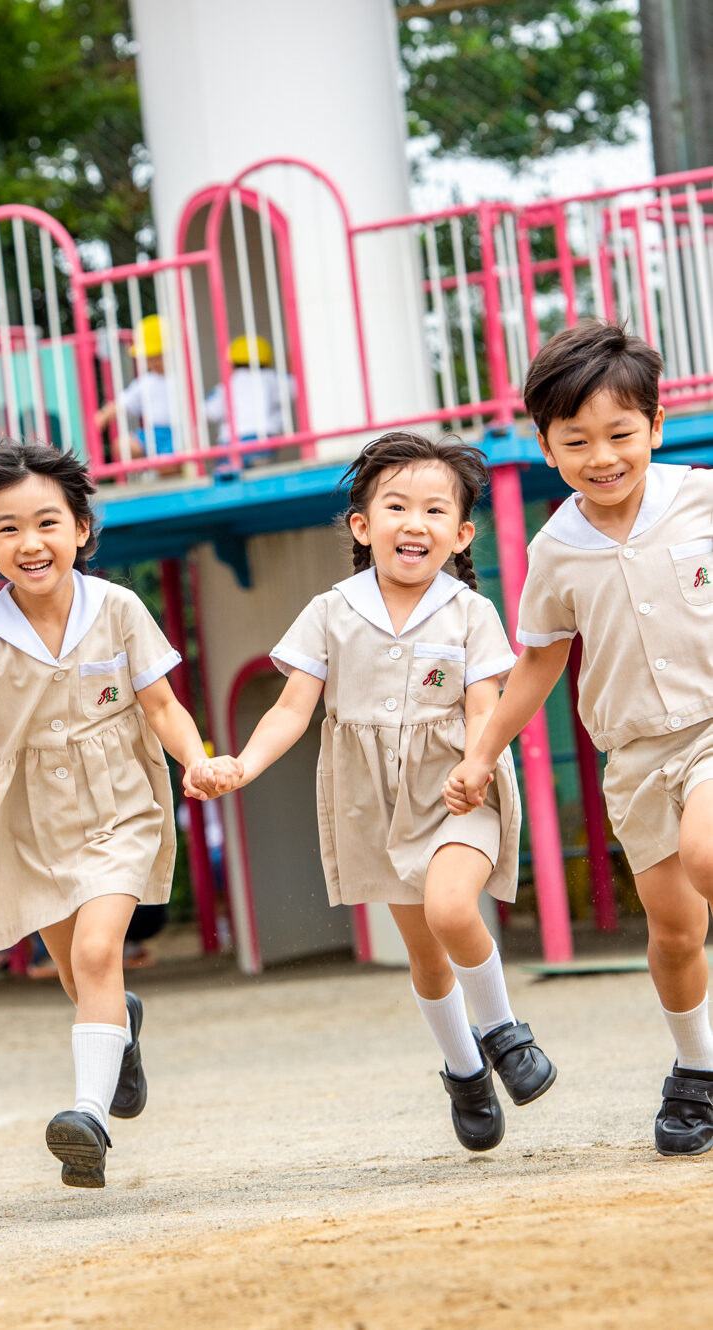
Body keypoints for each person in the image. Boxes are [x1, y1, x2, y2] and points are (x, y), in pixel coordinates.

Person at [0, 439, 229, 1187]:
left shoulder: (120, 609)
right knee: (77, 972)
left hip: (119, 804)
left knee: (97, 953)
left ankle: (86, 1117)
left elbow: (160, 704)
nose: (30, 543)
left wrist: (194, 761)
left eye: (46, 523)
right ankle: (115, 1026)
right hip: (29, 822)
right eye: (7, 529)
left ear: (81, 529)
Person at [189, 432, 556, 1153]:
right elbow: (291, 709)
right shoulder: (331, 610)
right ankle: (464, 1073)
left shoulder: (468, 612)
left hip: (456, 785)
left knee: (452, 908)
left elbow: (485, 703)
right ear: (362, 526)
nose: (412, 522)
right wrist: (243, 764)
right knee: (422, 952)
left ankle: (504, 1032)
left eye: (433, 510)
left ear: (460, 533)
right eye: (395, 506)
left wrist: (478, 762)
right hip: (372, 801)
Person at [446, 320, 713, 1157]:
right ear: (545, 447)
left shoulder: (699, 498)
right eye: (577, 441)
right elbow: (537, 665)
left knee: (708, 855)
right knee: (671, 932)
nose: (602, 456)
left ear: (655, 427)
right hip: (634, 755)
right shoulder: (554, 548)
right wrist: (481, 751)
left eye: (619, 435)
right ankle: (696, 1072)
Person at [94, 315, 181, 475]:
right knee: (123, 446)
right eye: (149, 358)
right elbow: (123, 403)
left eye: (158, 356)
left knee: (168, 462)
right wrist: (104, 415)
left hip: (178, 431)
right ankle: (150, 473)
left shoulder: (181, 377)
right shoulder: (146, 382)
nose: (153, 362)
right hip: (153, 432)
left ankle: (166, 477)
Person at [204, 335, 296, 467]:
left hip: (232, 443)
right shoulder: (271, 378)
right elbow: (296, 388)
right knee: (261, 471)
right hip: (263, 441)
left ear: (232, 363)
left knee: (229, 474)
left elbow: (208, 411)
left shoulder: (227, 385)